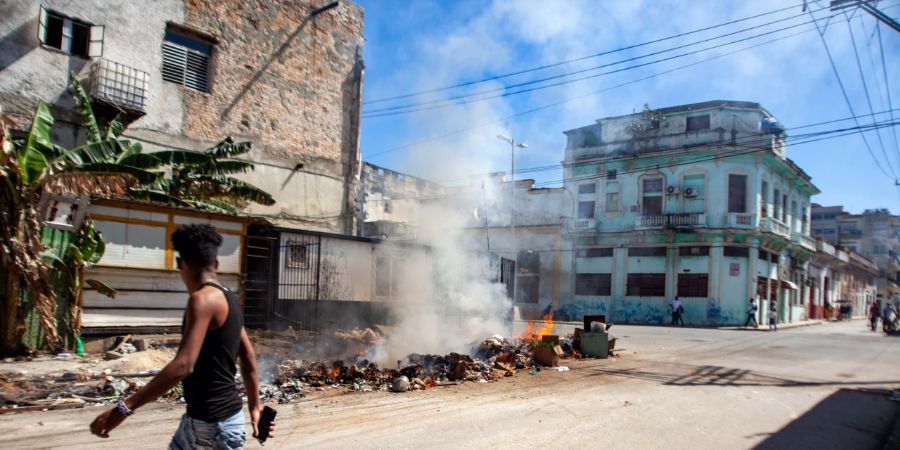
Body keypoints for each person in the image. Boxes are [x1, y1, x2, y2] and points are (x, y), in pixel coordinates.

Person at [90, 224, 276, 448]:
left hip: (208, 427)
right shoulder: (229, 298)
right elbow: (247, 356)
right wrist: (255, 408)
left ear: (181, 265)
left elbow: (183, 365)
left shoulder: (202, 300)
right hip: (224, 421)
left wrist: (124, 408)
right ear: (216, 263)